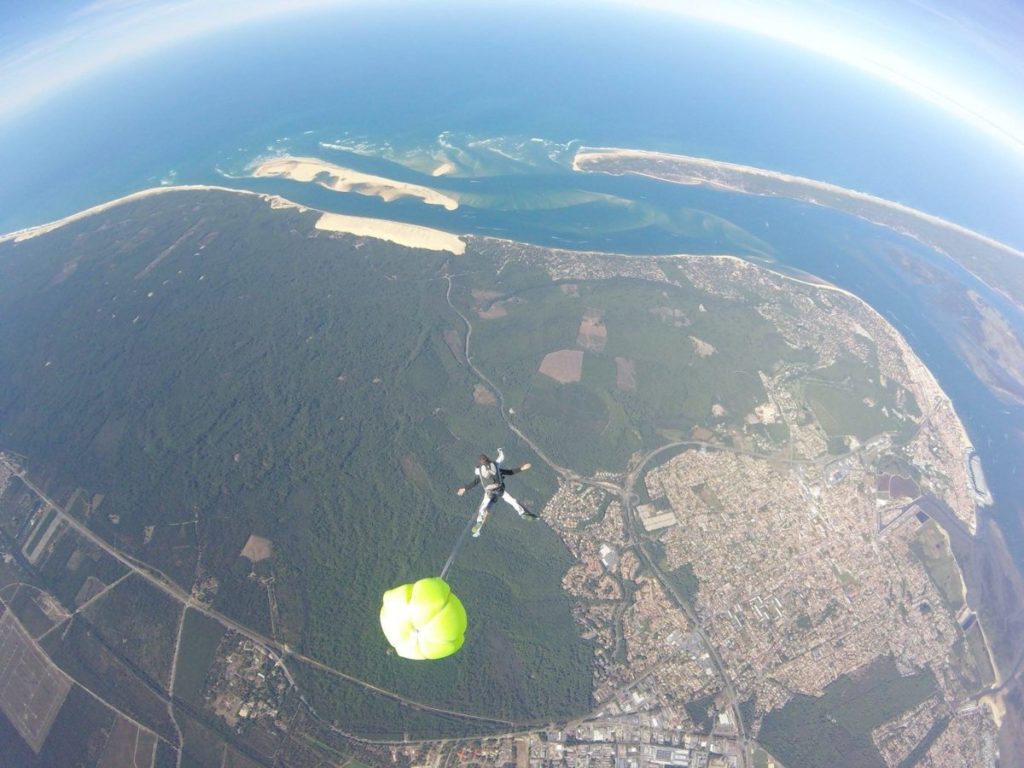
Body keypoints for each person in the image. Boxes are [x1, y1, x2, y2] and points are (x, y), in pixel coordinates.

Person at [457, 449, 537, 537]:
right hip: (500, 491)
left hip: (490, 494)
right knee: (512, 501)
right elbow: (508, 469)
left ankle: (479, 521)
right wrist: (522, 468)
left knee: (483, 509)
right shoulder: (496, 466)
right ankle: (521, 513)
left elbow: (475, 482)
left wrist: (464, 489)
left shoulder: (480, 471)